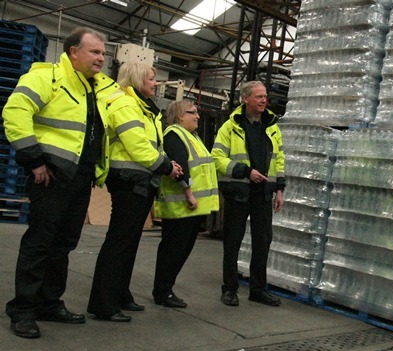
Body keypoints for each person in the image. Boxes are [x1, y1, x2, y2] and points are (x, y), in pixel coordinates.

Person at [3, 27, 118, 339]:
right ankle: (23, 308)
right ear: (73, 52)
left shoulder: (94, 88)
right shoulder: (48, 77)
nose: (101, 58)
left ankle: (49, 302)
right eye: (95, 52)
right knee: (40, 241)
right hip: (50, 175)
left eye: (103, 53)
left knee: (64, 244)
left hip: (80, 178)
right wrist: (34, 159)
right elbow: (15, 112)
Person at [87, 62, 182, 322]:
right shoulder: (125, 105)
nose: (155, 83)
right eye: (151, 79)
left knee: (128, 242)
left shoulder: (142, 108)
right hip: (129, 180)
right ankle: (104, 304)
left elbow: (150, 144)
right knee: (119, 241)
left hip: (140, 180)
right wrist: (165, 165)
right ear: (138, 79)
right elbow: (137, 146)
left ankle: (120, 294)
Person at [212, 80, 285, 307]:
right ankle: (230, 289)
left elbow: (278, 159)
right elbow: (217, 158)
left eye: (265, 97)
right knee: (233, 241)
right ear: (245, 99)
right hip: (239, 192)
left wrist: (279, 189)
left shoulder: (271, 125)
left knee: (263, 241)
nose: (264, 100)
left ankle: (258, 289)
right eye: (259, 97)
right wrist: (246, 172)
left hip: (263, 193)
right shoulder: (230, 126)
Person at [152, 100, 219, 308]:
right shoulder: (174, 134)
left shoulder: (193, 136)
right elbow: (180, 166)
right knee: (173, 250)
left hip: (191, 208)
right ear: (180, 116)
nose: (197, 116)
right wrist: (189, 193)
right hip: (182, 206)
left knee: (181, 250)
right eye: (193, 113)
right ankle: (162, 291)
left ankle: (166, 289)